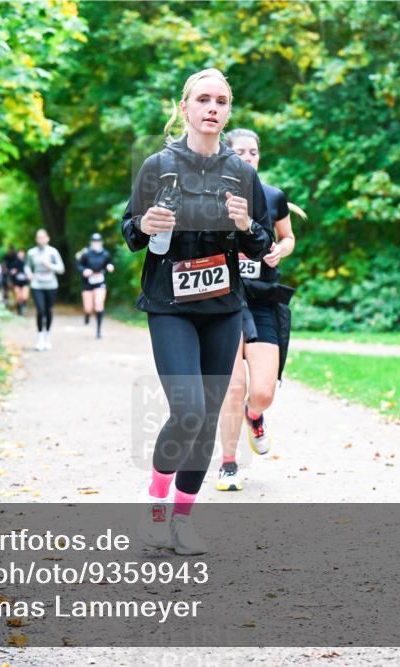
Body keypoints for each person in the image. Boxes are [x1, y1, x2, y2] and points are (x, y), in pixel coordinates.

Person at [122, 68, 273, 555]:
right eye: (203, 99)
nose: (213, 108)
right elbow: (131, 233)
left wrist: (246, 224)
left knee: (207, 418)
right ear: (184, 107)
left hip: (224, 307)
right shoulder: (157, 166)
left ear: (229, 111)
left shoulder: (242, 173)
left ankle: (183, 519)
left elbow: (263, 241)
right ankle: (155, 504)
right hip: (170, 305)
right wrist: (144, 222)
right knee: (187, 411)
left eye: (222, 101)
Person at [215, 128, 305, 492]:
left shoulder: (272, 197)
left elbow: (288, 237)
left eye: (254, 151)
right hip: (223, 302)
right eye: (241, 151)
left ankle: (256, 416)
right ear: (227, 155)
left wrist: (280, 251)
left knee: (263, 391)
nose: (249, 156)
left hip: (262, 299)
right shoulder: (211, 197)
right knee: (233, 387)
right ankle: (228, 464)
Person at [24, 229, 64, 351]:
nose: (41, 239)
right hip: (37, 285)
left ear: (47, 238)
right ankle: (40, 337)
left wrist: (50, 266)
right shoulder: (31, 253)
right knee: (40, 310)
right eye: (38, 237)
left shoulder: (53, 252)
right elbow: (27, 266)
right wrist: (29, 273)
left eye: (43, 237)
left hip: (51, 285)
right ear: (36, 239)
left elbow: (61, 269)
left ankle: (47, 336)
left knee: (48, 310)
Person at [76, 232, 115, 338]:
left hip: (100, 281)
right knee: (88, 308)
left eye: (98, 242)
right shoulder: (86, 254)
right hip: (87, 282)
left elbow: (110, 263)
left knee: (99, 303)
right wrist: (84, 270)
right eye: (94, 242)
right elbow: (78, 265)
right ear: (91, 243)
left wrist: (110, 266)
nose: (96, 244)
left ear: (101, 243)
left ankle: (98, 330)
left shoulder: (105, 254)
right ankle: (87, 314)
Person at [7, 247, 30, 316]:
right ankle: (19, 311)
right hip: (16, 282)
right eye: (19, 253)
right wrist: (12, 272)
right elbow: (10, 272)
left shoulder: (27, 262)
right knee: (18, 297)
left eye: (22, 253)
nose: (20, 255)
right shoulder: (14, 263)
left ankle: (24, 305)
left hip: (25, 282)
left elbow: (30, 272)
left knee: (24, 296)